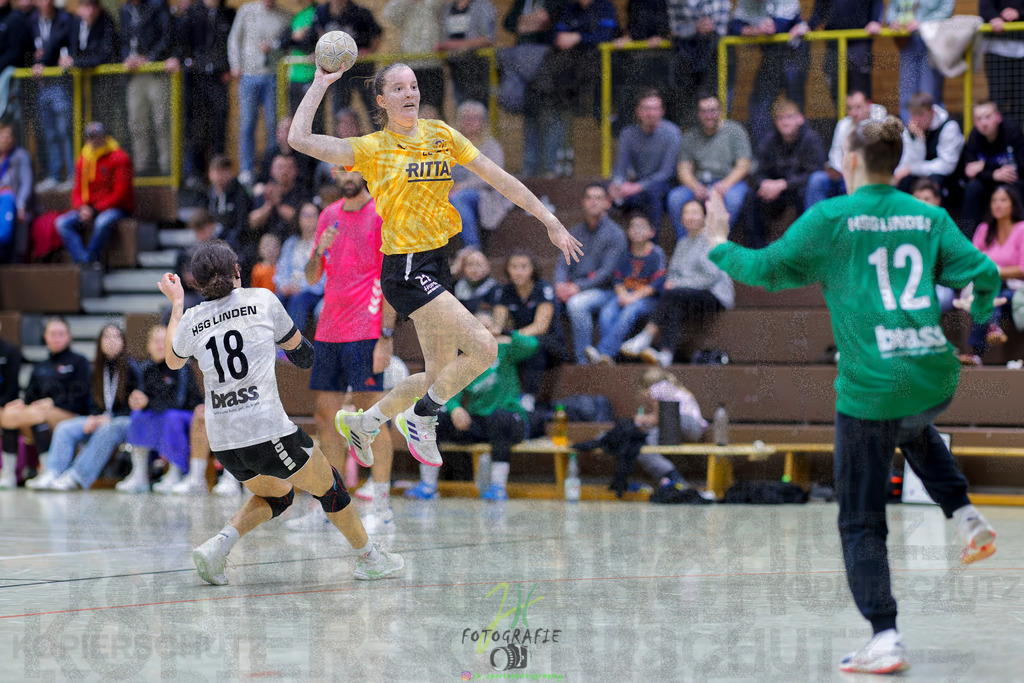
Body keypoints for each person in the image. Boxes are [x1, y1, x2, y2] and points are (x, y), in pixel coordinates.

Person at [705, 116, 1000, 674]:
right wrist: (979, 315)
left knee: (861, 518)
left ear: (852, 162)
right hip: (935, 375)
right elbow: (984, 273)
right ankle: (962, 512)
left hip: (870, 382)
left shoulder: (833, 218)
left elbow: (764, 270)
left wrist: (718, 244)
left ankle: (884, 635)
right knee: (910, 422)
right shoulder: (929, 215)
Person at [288, 60, 581, 469]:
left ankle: (366, 422)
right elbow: (298, 138)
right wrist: (320, 82)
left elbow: (498, 177)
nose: (409, 94)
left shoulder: (441, 135)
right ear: (382, 101)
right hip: (405, 268)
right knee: (482, 348)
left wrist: (548, 219)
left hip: (437, 262)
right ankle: (421, 417)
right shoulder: (373, 148)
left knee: (435, 377)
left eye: (413, 86)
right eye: (398, 89)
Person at [160, 240, 403, 583]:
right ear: (237, 272)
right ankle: (370, 558)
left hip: (225, 443)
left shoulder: (191, 319)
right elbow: (303, 356)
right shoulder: (261, 299)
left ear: (196, 282)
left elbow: (172, 359)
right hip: (266, 430)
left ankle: (218, 547)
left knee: (277, 493)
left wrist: (177, 306)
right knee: (330, 487)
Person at [286, 166, 397, 532]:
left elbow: (391, 277)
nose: (346, 175)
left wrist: (386, 334)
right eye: (340, 169)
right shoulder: (329, 215)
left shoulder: (381, 213)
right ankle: (332, 504)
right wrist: (319, 250)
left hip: (366, 326)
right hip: (330, 328)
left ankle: (381, 505)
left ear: (365, 171)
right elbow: (312, 275)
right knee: (325, 417)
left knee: (371, 416)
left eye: (352, 169)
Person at [409, 310, 539, 501]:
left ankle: (498, 487)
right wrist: (456, 409)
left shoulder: (506, 350)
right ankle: (428, 485)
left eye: (486, 327)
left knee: (499, 417)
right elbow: (450, 393)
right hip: (479, 422)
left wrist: (504, 331)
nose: (482, 332)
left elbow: (532, 345)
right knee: (429, 420)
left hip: (510, 420)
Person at [25, 325, 141, 491]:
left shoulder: (132, 368)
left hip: (125, 421)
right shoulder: (95, 369)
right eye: (106, 337)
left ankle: (77, 476)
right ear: (99, 343)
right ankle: (52, 472)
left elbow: (136, 405)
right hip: (102, 419)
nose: (111, 341)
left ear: (123, 341)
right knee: (65, 428)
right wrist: (94, 417)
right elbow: (91, 401)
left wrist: (110, 417)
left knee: (109, 427)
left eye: (116, 337)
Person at [621, 199, 733, 367]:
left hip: (714, 294)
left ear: (704, 217)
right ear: (681, 218)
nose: (691, 217)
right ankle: (666, 355)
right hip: (685, 296)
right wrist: (676, 284)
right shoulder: (682, 243)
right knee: (675, 304)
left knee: (674, 293)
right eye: (687, 213)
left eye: (695, 212)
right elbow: (673, 274)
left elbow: (710, 277)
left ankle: (647, 335)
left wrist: (679, 284)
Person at [0, 316, 90, 488]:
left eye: (61, 333)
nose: (57, 337)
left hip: (70, 414)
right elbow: (30, 397)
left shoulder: (79, 362)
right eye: (53, 334)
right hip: (40, 413)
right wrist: (21, 403)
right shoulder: (40, 366)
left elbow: (82, 396)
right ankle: (8, 474)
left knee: (38, 414)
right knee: (9, 415)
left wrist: (54, 403)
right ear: (45, 337)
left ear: (69, 336)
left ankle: (47, 471)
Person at [115, 325, 202, 493]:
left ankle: (175, 472)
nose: (160, 345)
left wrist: (147, 401)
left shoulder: (181, 365)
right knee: (138, 415)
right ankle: (139, 474)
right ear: (148, 346)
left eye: (164, 341)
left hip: (186, 415)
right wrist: (137, 400)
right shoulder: (145, 368)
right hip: (160, 414)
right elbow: (142, 398)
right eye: (156, 341)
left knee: (172, 417)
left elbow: (179, 402)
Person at [552, 183, 626, 364]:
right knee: (546, 298)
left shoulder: (615, 233)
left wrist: (577, 287)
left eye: (599, 198)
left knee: (577, 304)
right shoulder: (575, 231)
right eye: (589, 198)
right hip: (575, 286)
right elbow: (562, 264)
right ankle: (555, 358)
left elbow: (607, 273)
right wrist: (560, 284)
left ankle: (582, 361)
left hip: (606, 290)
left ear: (607, 203)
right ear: (583, 202)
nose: (593, 202)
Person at [744, 98, 826, 248]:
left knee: (806, 193)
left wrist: (783, 184)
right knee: (751, 196)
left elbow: (814, 173)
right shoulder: (769, 140)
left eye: (790, 117)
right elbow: (758, 170)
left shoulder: (811, 139)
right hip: (775, 192)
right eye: (780, 118)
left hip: (798, 189)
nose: (785, 122)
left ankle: (805, 246)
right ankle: (757, 250)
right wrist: (764, 183)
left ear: (800, 119)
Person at [227, 0, 293, 187]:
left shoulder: (285, 16)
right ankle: (246, 170)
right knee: (247, 123)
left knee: (274, 124)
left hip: (273, 75)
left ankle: (271, 168)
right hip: (249, 75)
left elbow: (288, 44)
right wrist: (236, 65)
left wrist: (273, 47)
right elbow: (234, 39)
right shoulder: (246, 11)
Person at [666, 94, 751, 238]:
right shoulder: (690, 136)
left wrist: (724, 185)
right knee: (675, 198)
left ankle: (715, 244)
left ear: (720, 111)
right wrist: (694, 186)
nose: (709, 115)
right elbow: (683, 168)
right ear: (698, 114)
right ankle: (686, 244)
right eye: (704, 111)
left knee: (734, 200)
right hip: (699, 183)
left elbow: (744, 164)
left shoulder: (735, 131)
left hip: (729, 183)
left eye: (712, 110)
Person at [587, 214, 665, 365]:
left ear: (651, 232)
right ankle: (609, 356)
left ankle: (604, 352)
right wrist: (623, 295)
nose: (637, 230)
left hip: (648, 299)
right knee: (607, 312)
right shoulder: (625, 254)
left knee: (630, 310)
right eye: (633, 227)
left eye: (642, 227)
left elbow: (656, 284)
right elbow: (618, 281)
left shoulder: (656, 254)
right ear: (628, 232)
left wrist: (632, 298)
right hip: (626, 295)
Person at [731, 0, 810, 145]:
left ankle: (802, 153)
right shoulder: (746, 3)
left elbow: (776, 28)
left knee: (795, 107)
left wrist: (756, 30)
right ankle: (764, 154)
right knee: (758, 106)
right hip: (771, 56)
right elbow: (734, 26)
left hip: (794, 55)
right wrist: (754, 31)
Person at [55, 121, 134, 265]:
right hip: (89, 209)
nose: (93, 140)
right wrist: (82, 208)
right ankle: (84, 261)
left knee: (102, 221)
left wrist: (95, 209)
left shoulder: (119, 157)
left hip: (116, 209)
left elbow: (121, 194)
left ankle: (90, 260)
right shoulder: (83, 159)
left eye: (97, 136)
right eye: (90, 137)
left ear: (104, 137)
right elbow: (77, 191)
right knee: (62, 223)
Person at [177, 0, 236, 186]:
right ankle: (196, 175)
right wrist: (187, 61)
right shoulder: (192, 13)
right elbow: (181, 44)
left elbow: (231, 45)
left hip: (218, 79)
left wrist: (228, 66)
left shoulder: (228, 13)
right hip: (196, 79)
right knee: (196, 130)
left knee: (219, 127)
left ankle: (219, 174)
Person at [963, 184, 1024, 364]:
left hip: (1015, 290)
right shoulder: (984, 229)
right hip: (987, 288)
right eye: (994, 201)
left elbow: (1022, 268)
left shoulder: (1021, 229)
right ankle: (992, 328)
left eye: (1003, 200)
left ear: (1013, 204)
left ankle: (976, 353)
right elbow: (972, 262)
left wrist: (994, 271)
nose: (998, 205)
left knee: (990, 297)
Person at [609, 90, 682, 231]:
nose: (650, 113)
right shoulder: (628, 133)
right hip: (635, 184)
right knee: (601, 191)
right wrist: (616, 185)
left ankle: (650, 247)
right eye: (646, 108)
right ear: (638, 111)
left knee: (651, 195)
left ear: (662, 111)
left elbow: (667, 172)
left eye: (655, 109)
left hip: (662, 186)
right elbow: (620, 167)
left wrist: (638, 186)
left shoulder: (672, 133)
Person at [491, 250, 554, 408]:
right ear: (507, 269)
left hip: (548, 341)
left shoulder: (543, 288)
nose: (519, 272)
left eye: (524, 266)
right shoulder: (505, 290)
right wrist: (500, 335)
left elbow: (541, 326)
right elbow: (497, 325)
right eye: (514, 267)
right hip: (517, 338)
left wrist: (511, 335)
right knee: (499, 346)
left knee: (534, 345)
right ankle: (499, 398)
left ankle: (529, 397)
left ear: (532, 269)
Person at [120, 0, 176, 177]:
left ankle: (167, 167)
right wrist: (127, 58)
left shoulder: (157, 5)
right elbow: (122, 40)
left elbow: (167, 36)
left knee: (162, 121)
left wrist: (150, 59)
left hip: (156, 72)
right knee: (137, 123)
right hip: (134, 75)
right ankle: (142, 167)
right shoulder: (125, 10)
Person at [448, 101, 512, 249]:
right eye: (466, 118)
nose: (471, 122)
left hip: (484, 194)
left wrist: (461, 186)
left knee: (459, 198)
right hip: (450, 190)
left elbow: (493, 177)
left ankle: (473, 248)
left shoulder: (491, 146)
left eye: (475, 118)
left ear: (483, 122)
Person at [809, 90, 887, 204]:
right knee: (817, 179)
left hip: (868, 177)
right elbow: (835, 154)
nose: (854, 112)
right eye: (850, 108)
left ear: (868, 105)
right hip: (843, 174)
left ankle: (852, 220)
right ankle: (815, 221)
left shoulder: (881, 124)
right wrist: (838, 169)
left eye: (859, 107)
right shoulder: (843, 124)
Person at [29, 0, 75, 191]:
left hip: (61, 83)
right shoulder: (31, 21)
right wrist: (34, 58)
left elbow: (63, 44)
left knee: (65, 131)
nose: (45, 2)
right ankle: (55, 175)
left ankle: (72, 175)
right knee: (50, 133)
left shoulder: (65, 19)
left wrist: (46, 59)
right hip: (41, 85)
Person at [960, 101, 1024, 237]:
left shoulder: (1012, 131)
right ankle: (967, 240)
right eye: (978, 119)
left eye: (988, 117)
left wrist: (984, 166)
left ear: (998, 117)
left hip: (1010, 181)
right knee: (972, 188)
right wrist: (993, 174)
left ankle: (1019, 237)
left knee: (1019, 185)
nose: (983, 123)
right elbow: (969, 171)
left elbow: (1020, 166)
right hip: (987, 182)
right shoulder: (974, 136)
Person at [664, 0, 727, 129]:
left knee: (713, 106)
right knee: (684, 110)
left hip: (714, 54)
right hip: (684, 57)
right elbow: (674, 29)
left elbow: (722, 26)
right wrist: (695, 28)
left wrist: (709, 27)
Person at [807, 0, 883, 107]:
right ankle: (843, 120)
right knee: (835, 86)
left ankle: (863, 122)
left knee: (860, 88)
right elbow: (818, 11)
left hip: (859, 39)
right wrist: (808, 26)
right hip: (833, 41)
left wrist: (875, 20)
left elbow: (876, 3)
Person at [886, 0, 951, 124]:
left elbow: (946, 9)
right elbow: (892, 8)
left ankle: (933, 135)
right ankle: (908, 135)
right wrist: (893, 21)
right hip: (907, 40)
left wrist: (923, 23)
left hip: (932, 40)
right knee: (906, 94)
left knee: (929, 94)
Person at [893, 92, 964, 199]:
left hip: (947, 179)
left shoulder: (949, 127)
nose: (916, 120)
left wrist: (912, 169)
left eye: (921, 115)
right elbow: (907, 163)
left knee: (933, 183)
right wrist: (919, 140)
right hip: (921, 173)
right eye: (913, 114)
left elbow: (947, 166)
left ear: (932, 112)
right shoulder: (911, 129)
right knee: (903, 182)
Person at [274, 201, 325, 332]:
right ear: (298, 218)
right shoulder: (291, 243)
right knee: (278, 298)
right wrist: (284, 285)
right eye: (305, 215)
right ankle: (275, 346)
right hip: (290, 287)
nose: (309, 219)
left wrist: (301, 287)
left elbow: (323, 276)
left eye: (313, 215)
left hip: (313, 290)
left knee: (298, 299)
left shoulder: (323, 244)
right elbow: (281, 270)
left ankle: (294, 347)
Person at [438, 0, 497, 106]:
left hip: (477, 66)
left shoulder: (482, 6)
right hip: (455, 66)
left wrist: (459, 45)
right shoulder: (449, 9)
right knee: (462, 106)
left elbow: (488, 38)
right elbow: (445, 38)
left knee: (479, 108)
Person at [981, 0, 1024, 124]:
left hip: (1021, 48)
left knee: (1020, 102)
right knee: (998, 101)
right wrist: (993, 17)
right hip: (997, 50)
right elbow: (984, 6)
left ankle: (1016, 139)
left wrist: (1019, 13)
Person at [0, 120, 33, 263]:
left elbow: (26, 183)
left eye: (7, 136)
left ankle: (15, 259)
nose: (4, 139)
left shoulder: (21, 156)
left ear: (14, 138)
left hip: (18, 204)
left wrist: (21, 205)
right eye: (1, 136)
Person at [206, 155, 252, 248]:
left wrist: (226, 242)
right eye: (214, 172)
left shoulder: (239, 193)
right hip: (218, 239)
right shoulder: (211, 193)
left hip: (239, 242)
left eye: (221, 172)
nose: (217, 177)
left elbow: (241, 225)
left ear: (230, 173)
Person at [451, 247, 499, 313]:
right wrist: (454, 270)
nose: (474, 270)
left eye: (479, 265)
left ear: (487, 267)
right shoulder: (457, 285)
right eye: (470, 264)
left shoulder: (495, 288)